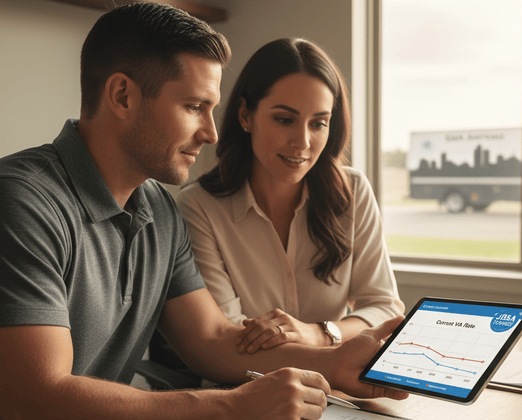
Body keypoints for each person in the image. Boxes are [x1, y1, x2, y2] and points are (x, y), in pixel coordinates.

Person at [0, 2, 407, 419]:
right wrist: (231, 405)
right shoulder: (22, 202)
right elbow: (33, 394)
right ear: (122, 96)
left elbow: (212, 340)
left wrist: (334, 364)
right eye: (194, 107)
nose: (211, 132)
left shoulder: (159, 208)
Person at [176, 38, 404, 355]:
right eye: (285, 119)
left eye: (319, 123)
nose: (303, 142)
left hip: (336, 388)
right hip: (243, 387)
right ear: (245, 116)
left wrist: (319, 334)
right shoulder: (198, 207)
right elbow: (231, 336)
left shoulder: (353, 192)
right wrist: (330, 350)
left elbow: (385, 309)